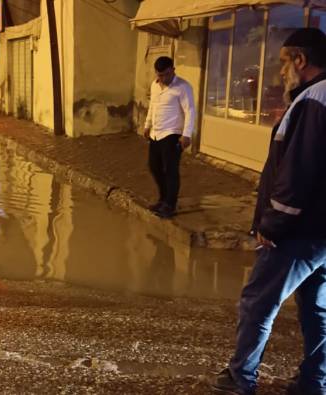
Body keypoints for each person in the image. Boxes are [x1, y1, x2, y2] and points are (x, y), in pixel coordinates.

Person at [211, 28, 326, 395]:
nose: (280, 72)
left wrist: (273, 224)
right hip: (321, 233)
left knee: (258, 302)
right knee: (317, 309)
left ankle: (240, 379)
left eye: (282, 62)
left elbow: (299, 171)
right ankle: (314, 381)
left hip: (300, 231)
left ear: (300, 61)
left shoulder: (313, 100)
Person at [143, 56, 196, 218]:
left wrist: (186, 135)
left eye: (165, 75)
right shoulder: (155, 85)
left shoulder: (183, 87)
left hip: (172, 134)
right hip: (156, 134)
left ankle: (170, 204)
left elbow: (190, 111)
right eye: (159, 75)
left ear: (173, 70)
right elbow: (153, 106)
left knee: (170, 170)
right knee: (154, 167)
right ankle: (163, 198)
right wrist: (147, 124)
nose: (162, 79)